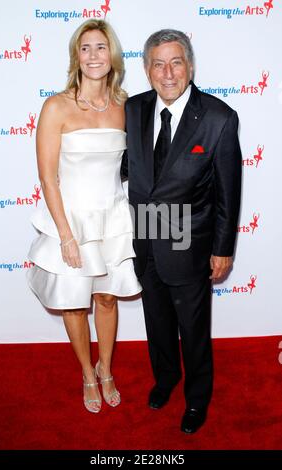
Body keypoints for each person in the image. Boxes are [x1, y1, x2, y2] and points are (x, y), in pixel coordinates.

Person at [122, 29, 241, 433]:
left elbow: (229, 191)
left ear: (190, 65)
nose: (167, 72)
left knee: (192, 328)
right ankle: (166, 378)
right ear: (147, 69)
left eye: (176, 62)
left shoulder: (219, 118)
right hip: (145, 233)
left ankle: (197, 398)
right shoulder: (133, 109)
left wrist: (223, 248)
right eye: (158, 63)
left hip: (189, 238)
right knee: (156, 320)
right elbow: (126, 168)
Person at [27, 19, 141, 414]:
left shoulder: (127, 107)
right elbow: (47, 175)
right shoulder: (56, 106)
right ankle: (86, 374)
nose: (94, 55)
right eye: (86, 48)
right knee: (75, 303)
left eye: (101, 47)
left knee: (107, 298)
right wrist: (65, 234)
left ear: (113, 56)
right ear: (76, 56)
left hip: (112, 217)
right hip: (71, 219)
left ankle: (106, 368)